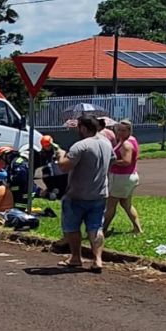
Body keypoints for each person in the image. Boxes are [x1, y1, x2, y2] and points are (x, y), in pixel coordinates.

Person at [56, 115, 112, 272]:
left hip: (77, 194)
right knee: (96, 227)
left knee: (72, 227)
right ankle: (98, 260)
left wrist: (61, 155)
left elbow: (64, 167)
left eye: (78, 127)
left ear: (84, 128)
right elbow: (112, 160)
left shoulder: (80, 146)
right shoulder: (106, 143)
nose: (77, 130)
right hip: (100, 193)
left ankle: (75, 258)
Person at [103, 119, 141, 235]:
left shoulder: (126, 144)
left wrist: (112, 162)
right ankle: (137, 229)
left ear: (129, 130)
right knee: (126, 204)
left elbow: (126, 161)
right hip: (129, 176)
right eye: (118, 129)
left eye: (123, 130)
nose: (120, 132)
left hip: (121, 178)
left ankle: (102, 230)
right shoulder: (130, 140)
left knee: (110, 205)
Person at [34, 134, 68, 200]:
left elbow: (62, 155)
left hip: (61, 173)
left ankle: (59, 191)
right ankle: (53, 190)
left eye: (48, 145)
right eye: (46, 146)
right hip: (50, 175)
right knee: (46, 170)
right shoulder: (41, 154)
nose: (48, 147)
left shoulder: (57, 149)